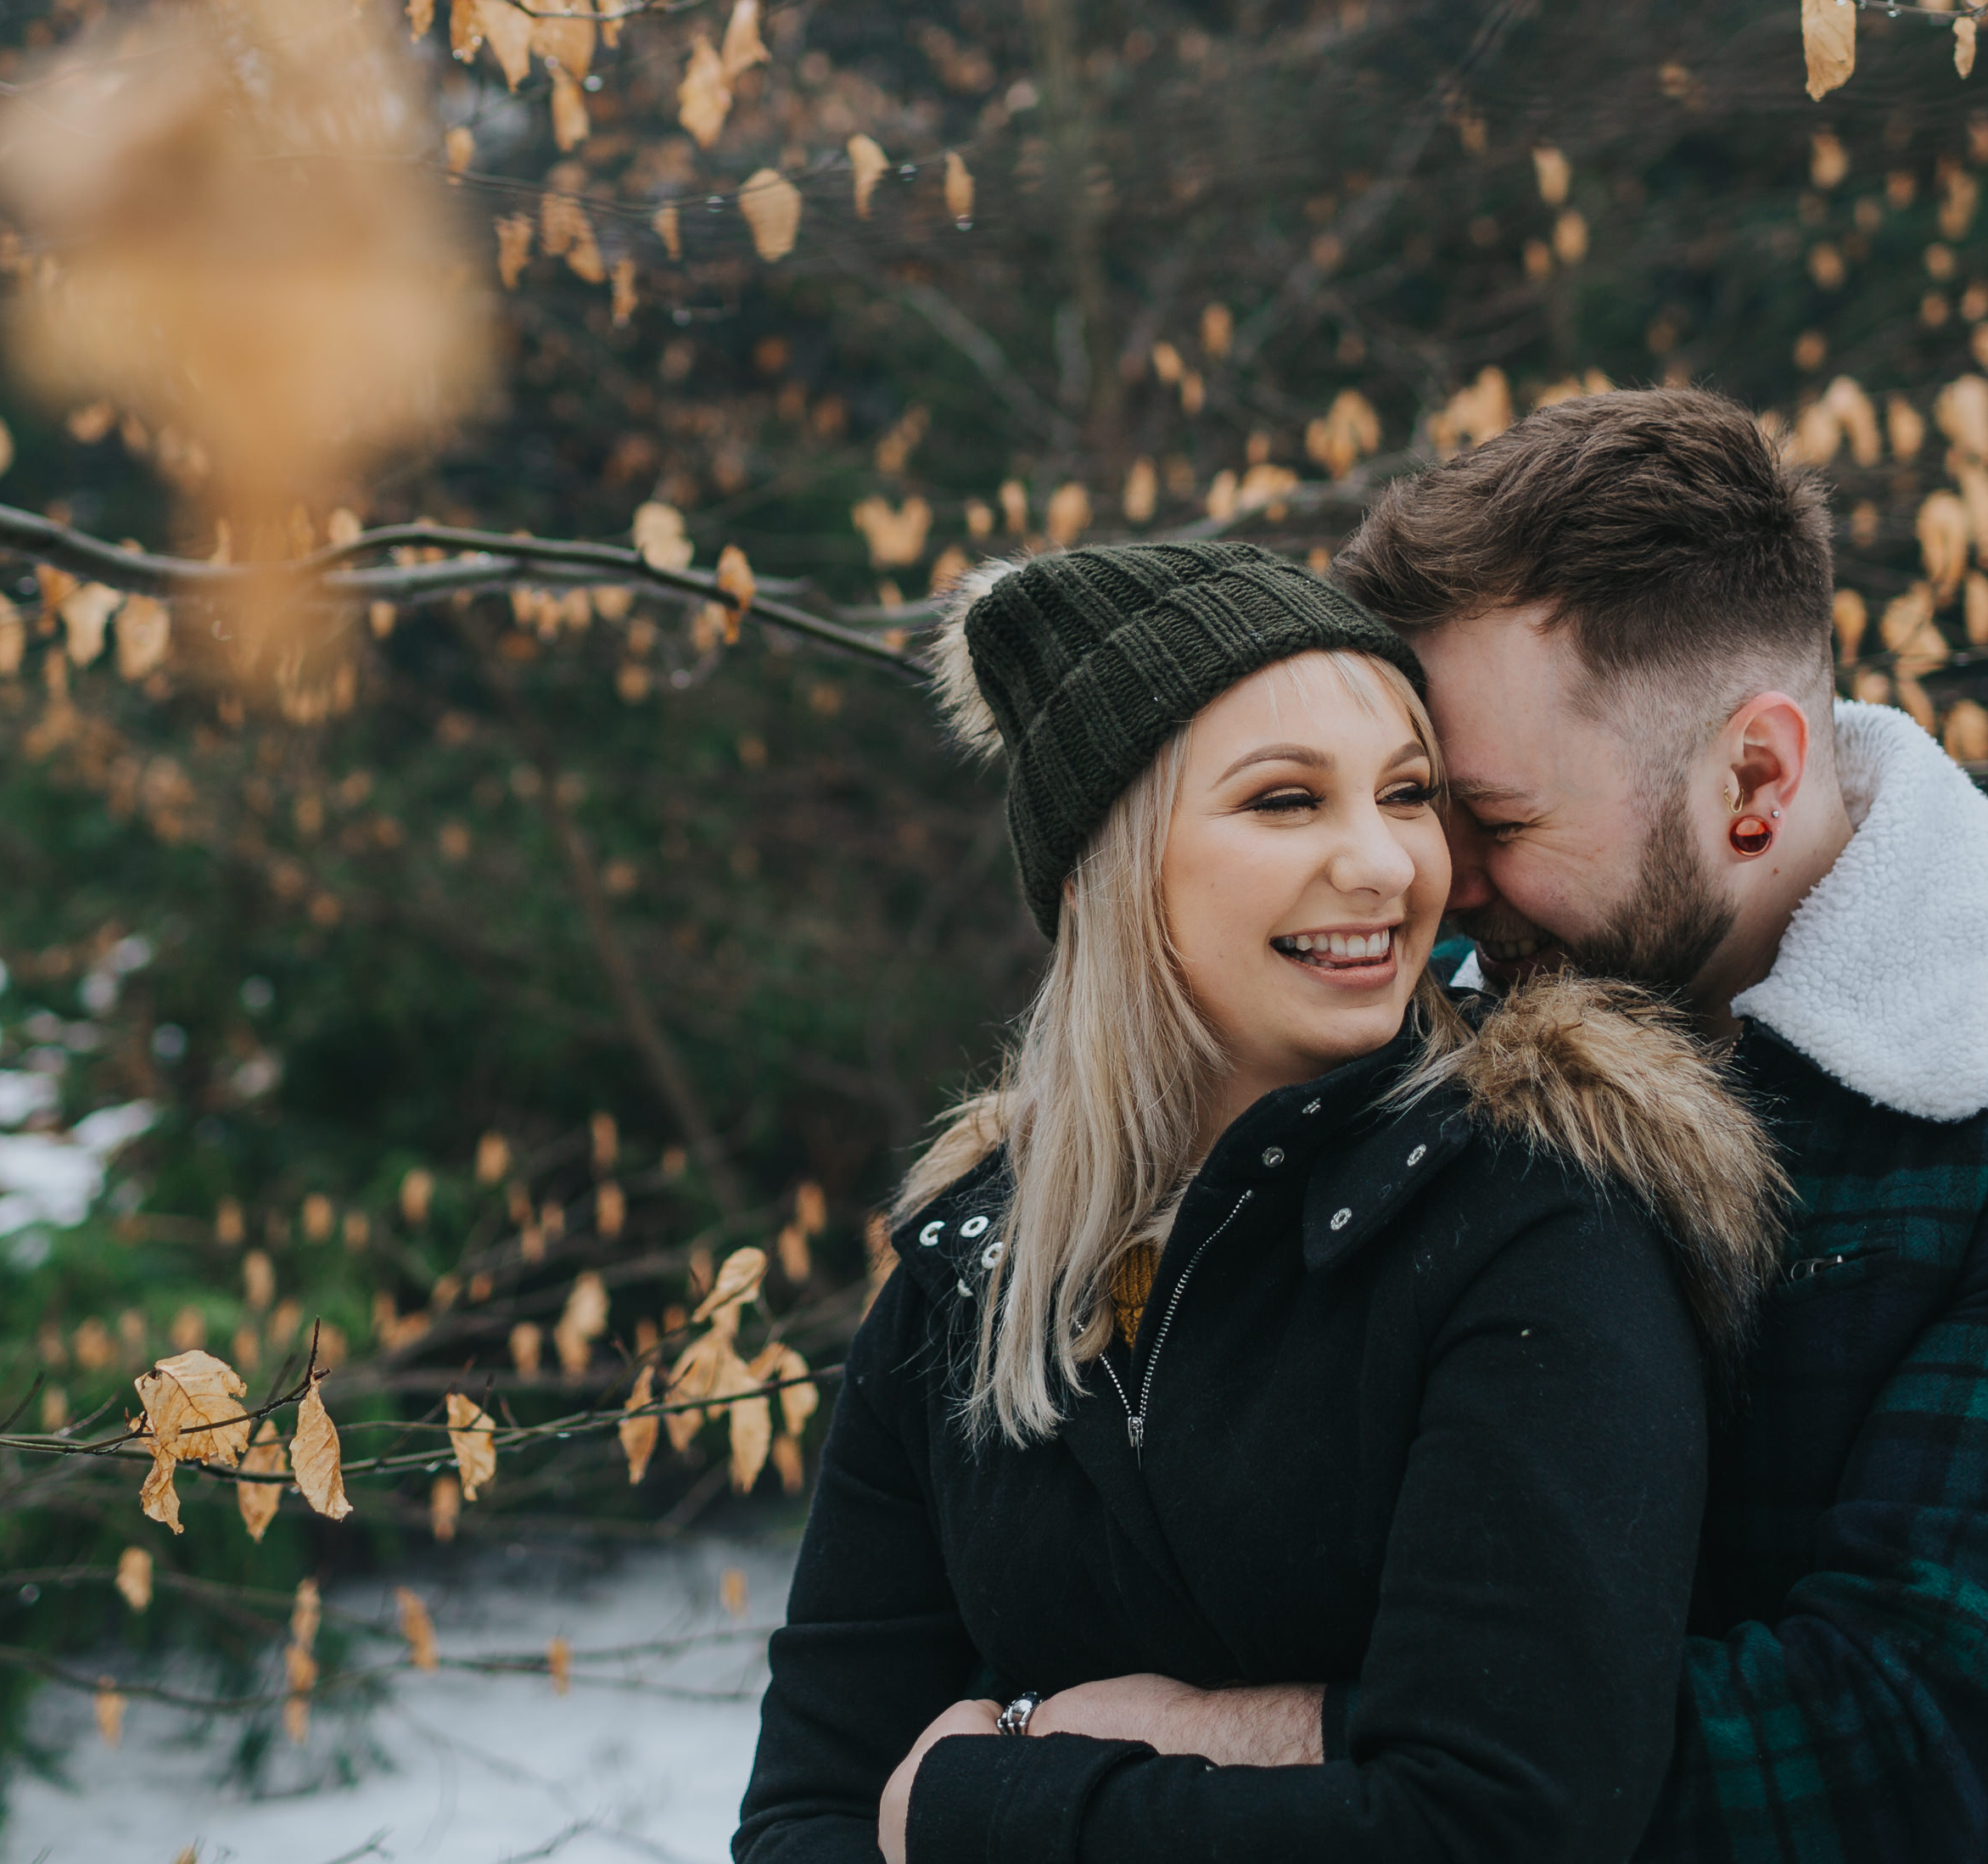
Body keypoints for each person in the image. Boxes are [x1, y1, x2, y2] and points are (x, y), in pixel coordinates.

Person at [1096, 389, 1988, 1862]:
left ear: (1755, 778)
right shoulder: (1424, 1068)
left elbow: (1905, 1757)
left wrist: (1231, 1746)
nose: (1426, 879)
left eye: (1495, 821)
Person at [732, 540, 1790, 1864]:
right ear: (1104, 874)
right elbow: (805, 1820)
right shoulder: (971, 1270)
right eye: (1286, 801)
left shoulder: (1528, 1218)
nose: (1386, 867)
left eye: (1407, 796)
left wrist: (983, 1804)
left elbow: (1503, 1820)